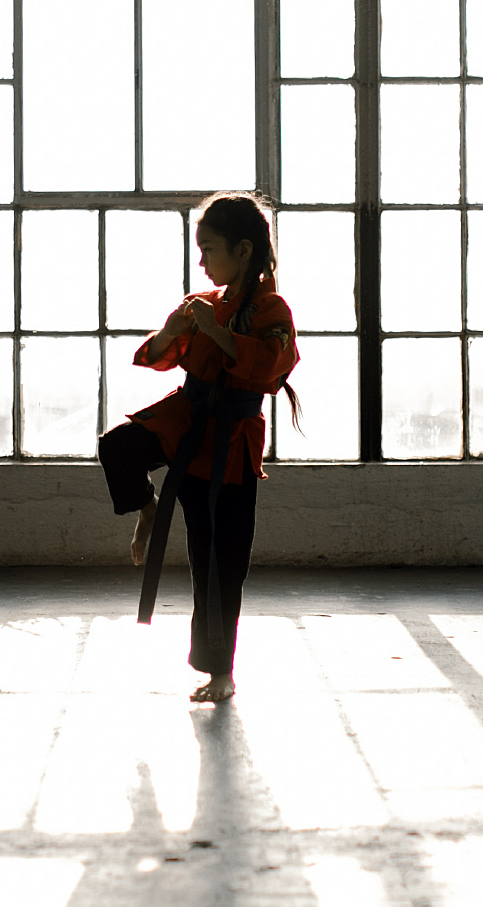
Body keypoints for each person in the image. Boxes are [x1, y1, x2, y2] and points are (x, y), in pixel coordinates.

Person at [98, 192, 300, 703]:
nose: (203, 260)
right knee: (118, 447)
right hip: (185, 417)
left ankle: (220, 672)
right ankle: (147, 509)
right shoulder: (201, 305)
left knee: (217, 561)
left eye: (209, 248)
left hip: (229, 442)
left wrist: (216, 331)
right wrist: (172, 331)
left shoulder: (272, 309)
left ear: (244, 250)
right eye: (201, 249)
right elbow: (162, 356)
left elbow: (274, 366)